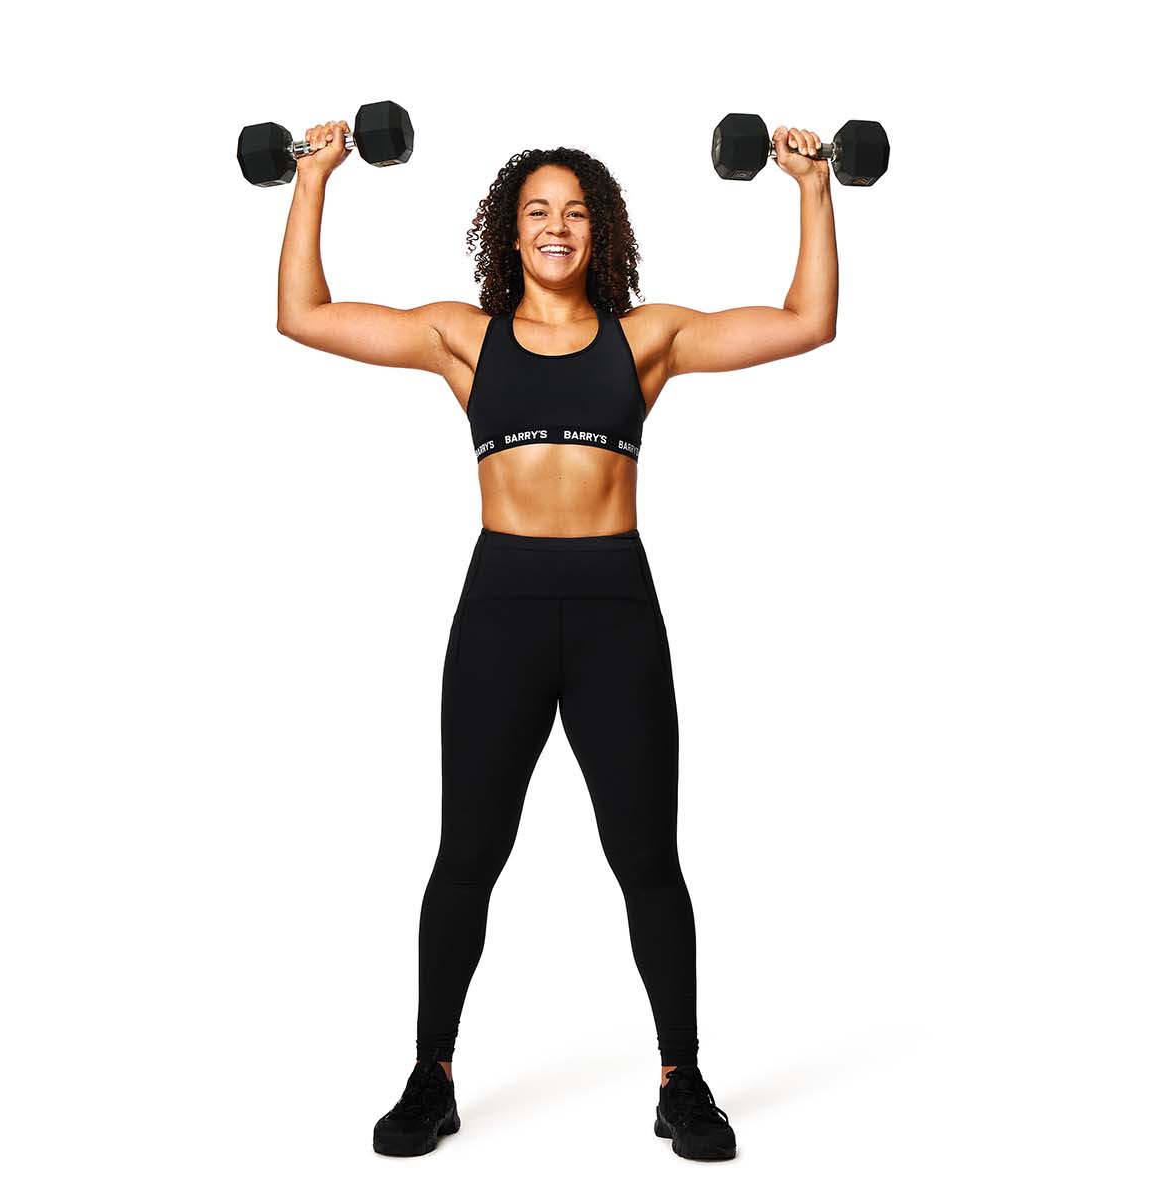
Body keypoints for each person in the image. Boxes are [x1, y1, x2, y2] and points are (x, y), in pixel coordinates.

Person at [273, 118, 839, 1161]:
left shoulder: (644, 338)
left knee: (645, 858)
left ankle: (681, 1078)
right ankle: (430, 1075)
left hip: (616, 612)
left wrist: (809, 189)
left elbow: (807, 322)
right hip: (502, 610)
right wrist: (312, 178)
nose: (555, 226)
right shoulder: (462, 336)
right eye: (536, 210)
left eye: (574, 211)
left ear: (600, 231)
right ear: (507, 230)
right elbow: (302, 314)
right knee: (468, 857)